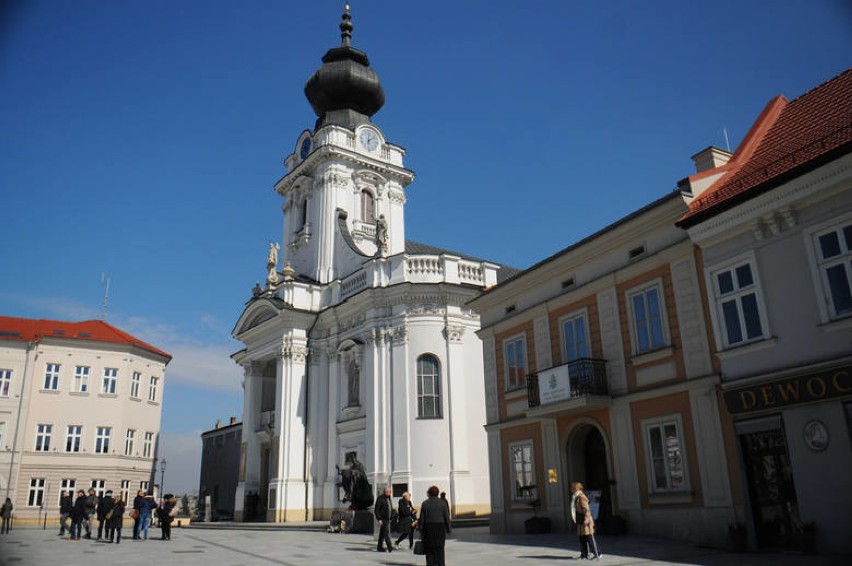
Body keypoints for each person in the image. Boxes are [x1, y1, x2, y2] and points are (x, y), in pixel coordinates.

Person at [419, 485, 450, 566]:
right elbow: (446, 517)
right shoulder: (442, 503)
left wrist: (421, 530)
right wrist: (448, 528)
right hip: (440, 528)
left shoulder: (425, 503)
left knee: (429, 550)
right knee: (440, 549)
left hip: (428, 529)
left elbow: (422, 519)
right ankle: (440, 564)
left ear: (429, 493)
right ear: (437, 493)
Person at [571, 481, 599, 560]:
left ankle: (597, 553)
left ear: (577, 489)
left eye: (573, 488)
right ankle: (584, 555)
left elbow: (586, 509)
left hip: (585, 521)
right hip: (580, 520)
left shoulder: (581, 497)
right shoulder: (576, 497)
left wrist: (586, 519)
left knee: (589, 538)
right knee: (582, 538)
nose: (572, 490)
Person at [374, 486, 394, 553]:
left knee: (382, 533)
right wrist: (379, 519)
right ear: (385, 492)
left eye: (390, 492)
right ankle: (390, 547)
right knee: (386, 533)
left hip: (387, 518)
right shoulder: (380, 498)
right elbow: (376, 510)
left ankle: (379, 547)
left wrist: (391, 516)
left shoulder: (389, 498)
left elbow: (389, 508)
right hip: (383, 518)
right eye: (387, 492)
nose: (389, 493)